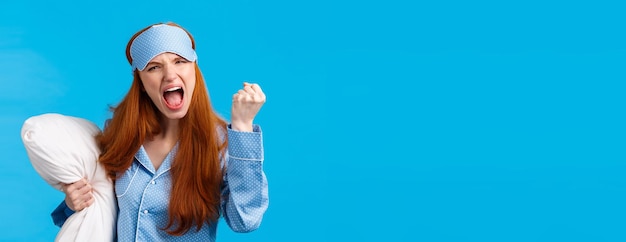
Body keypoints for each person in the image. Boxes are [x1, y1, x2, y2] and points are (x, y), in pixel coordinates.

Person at [52, 22, 269, 241]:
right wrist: (72, 203)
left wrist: (243, 127)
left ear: (194, 68)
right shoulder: (121, 134)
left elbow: (245, 220)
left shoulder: (221, 144)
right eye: (154, 67)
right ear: (142, 82)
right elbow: (98, 207)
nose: (170, 75)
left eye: (179, 61)